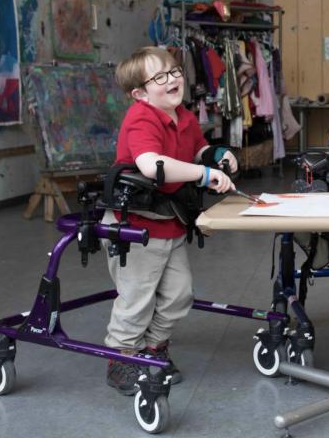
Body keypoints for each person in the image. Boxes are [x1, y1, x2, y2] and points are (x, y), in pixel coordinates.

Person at [104, 46, 237, 395]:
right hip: (135, 225)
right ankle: (123, 359)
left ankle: (154, 348)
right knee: (137, 298)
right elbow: (152, 165)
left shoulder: (184, 116)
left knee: (179, 294)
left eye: (175, 71)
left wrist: (216, 154)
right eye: (160, 77)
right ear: (140, 93)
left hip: (169, 221)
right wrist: (203, 173)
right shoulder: (141, 118)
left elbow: (196, 149)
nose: (173, 79)